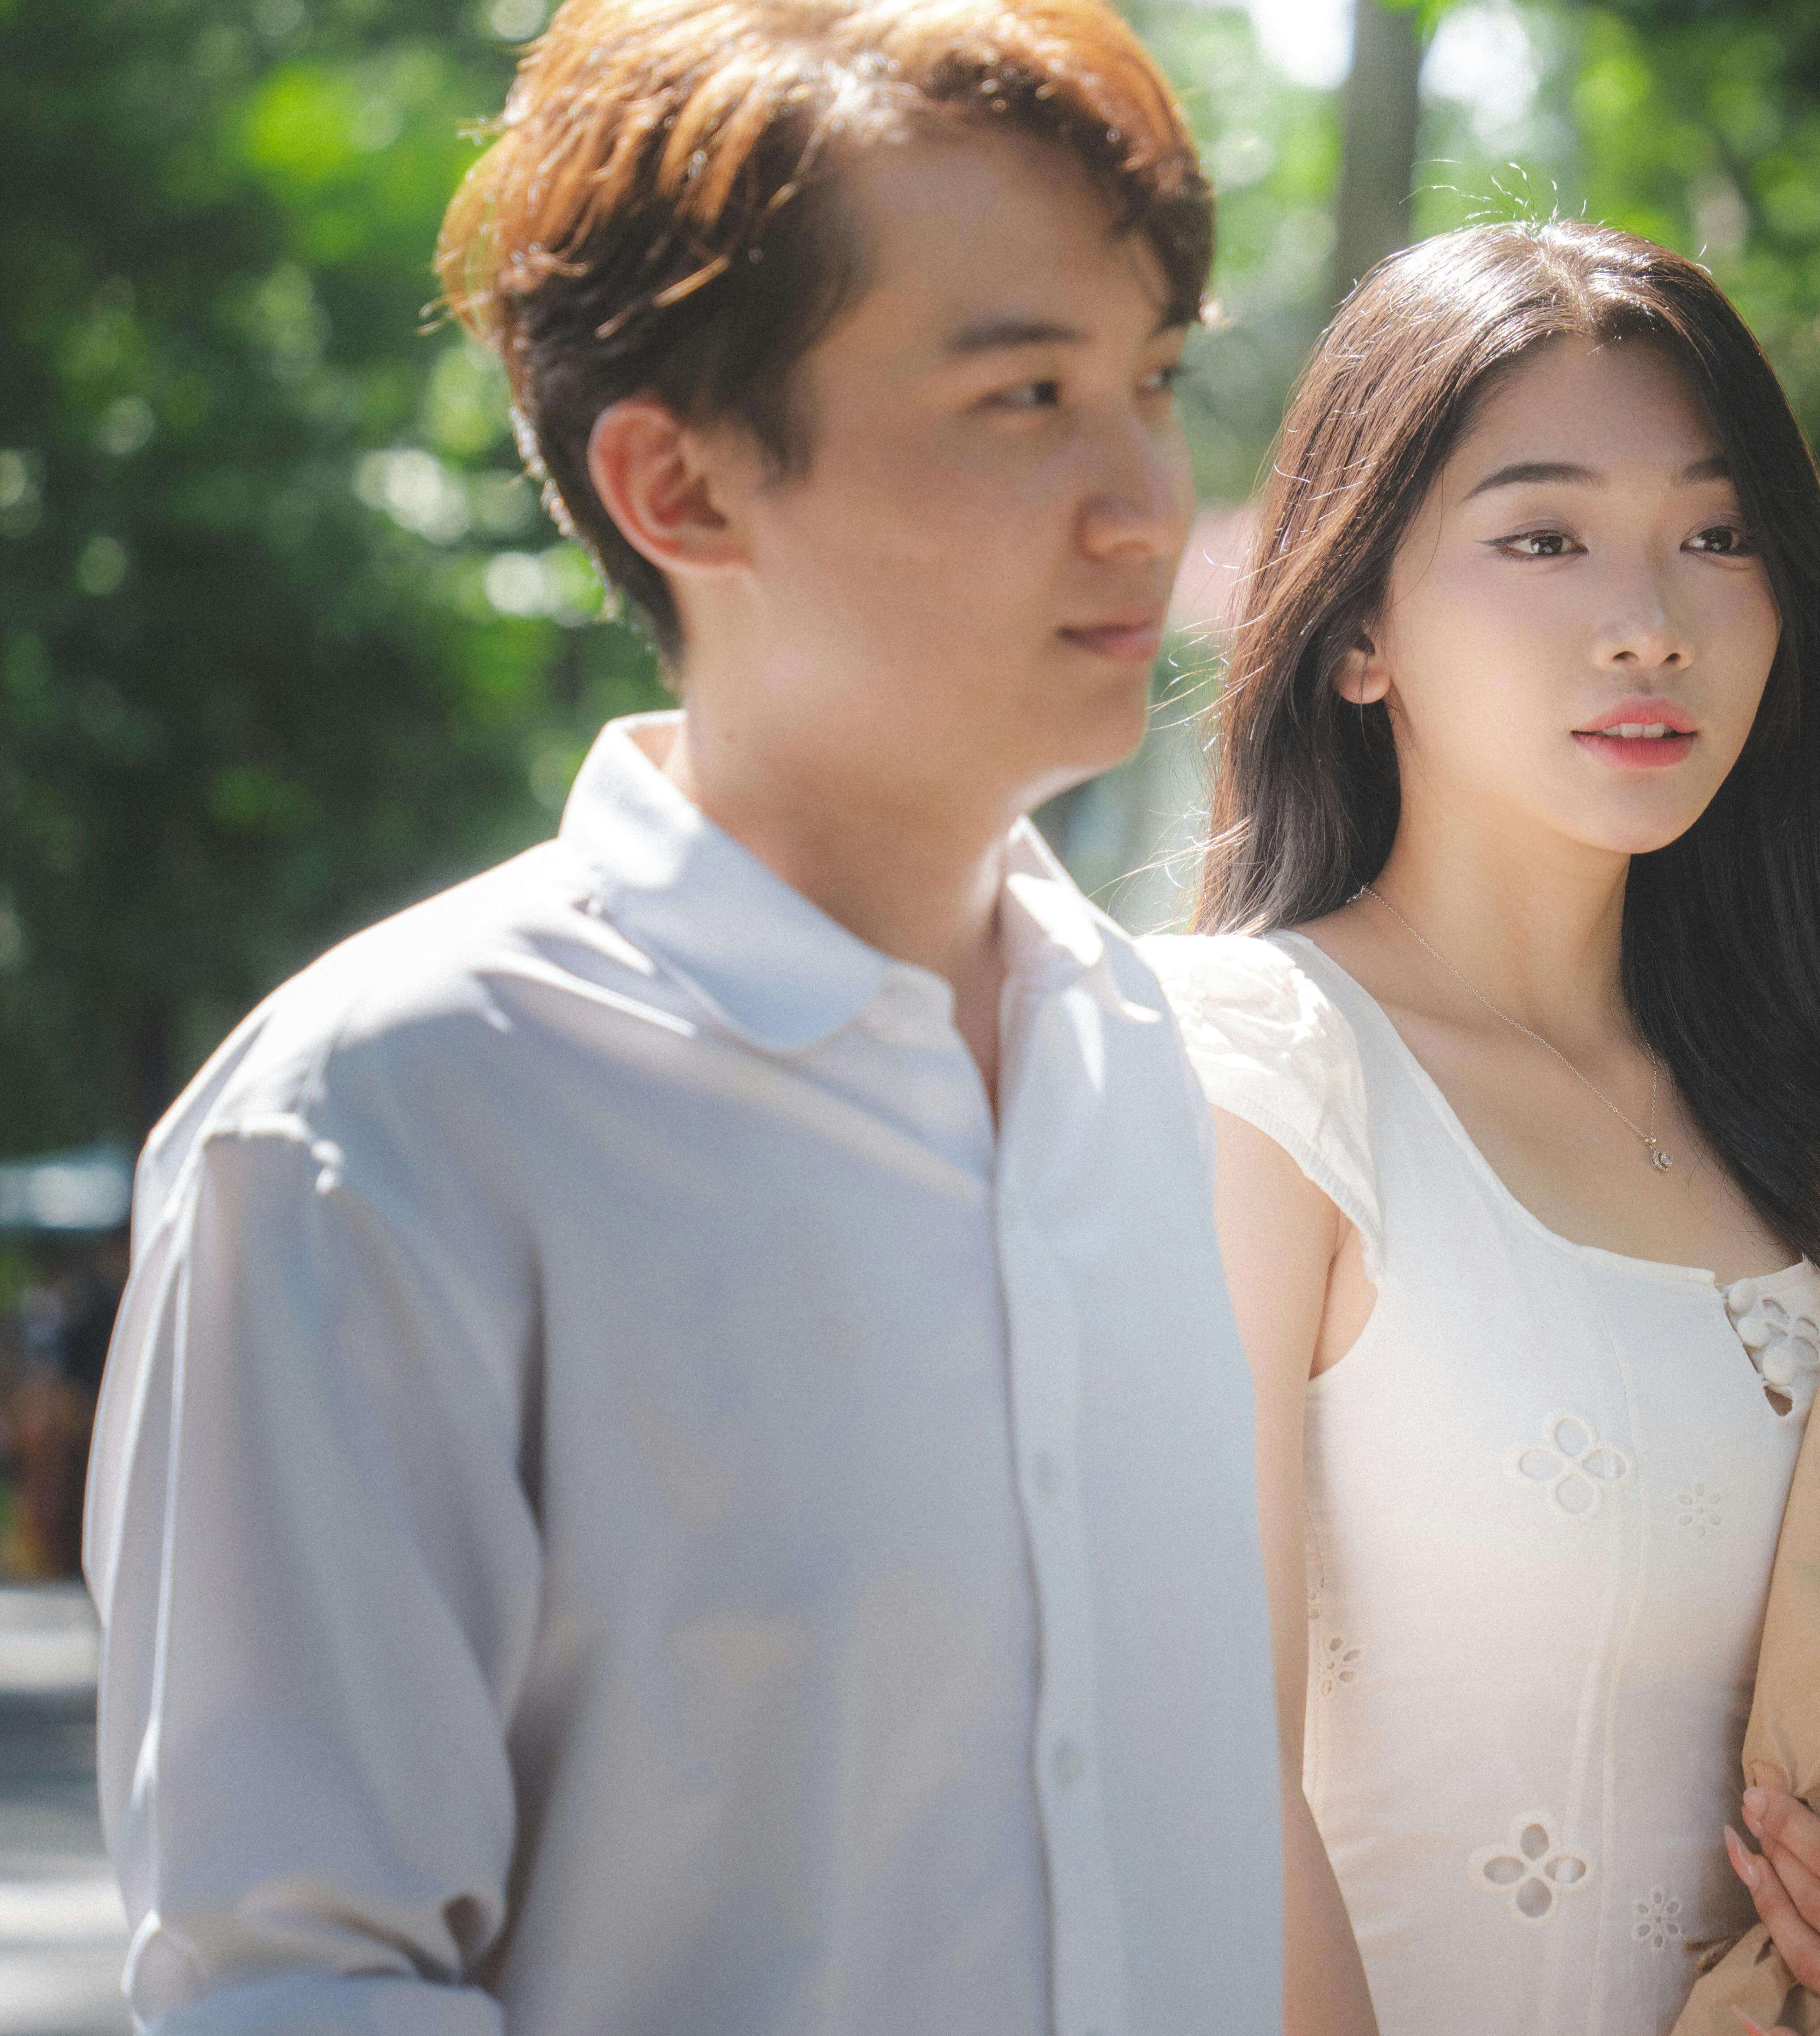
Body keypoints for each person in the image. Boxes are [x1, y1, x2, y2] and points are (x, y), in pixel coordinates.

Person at [83, 6, 1307, 2032]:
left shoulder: (1146, 1059)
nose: (1144, 498)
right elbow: (292, 1980)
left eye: (1154, 382)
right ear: (680, 483)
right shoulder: (378, 1126)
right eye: (1023, 396)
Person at [1143, 221, 1820, 2036]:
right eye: (1543, 537)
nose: (1648, 620)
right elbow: (1191, 1778)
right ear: (1355, 631)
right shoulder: (1247, 1072)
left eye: (1718, 534)